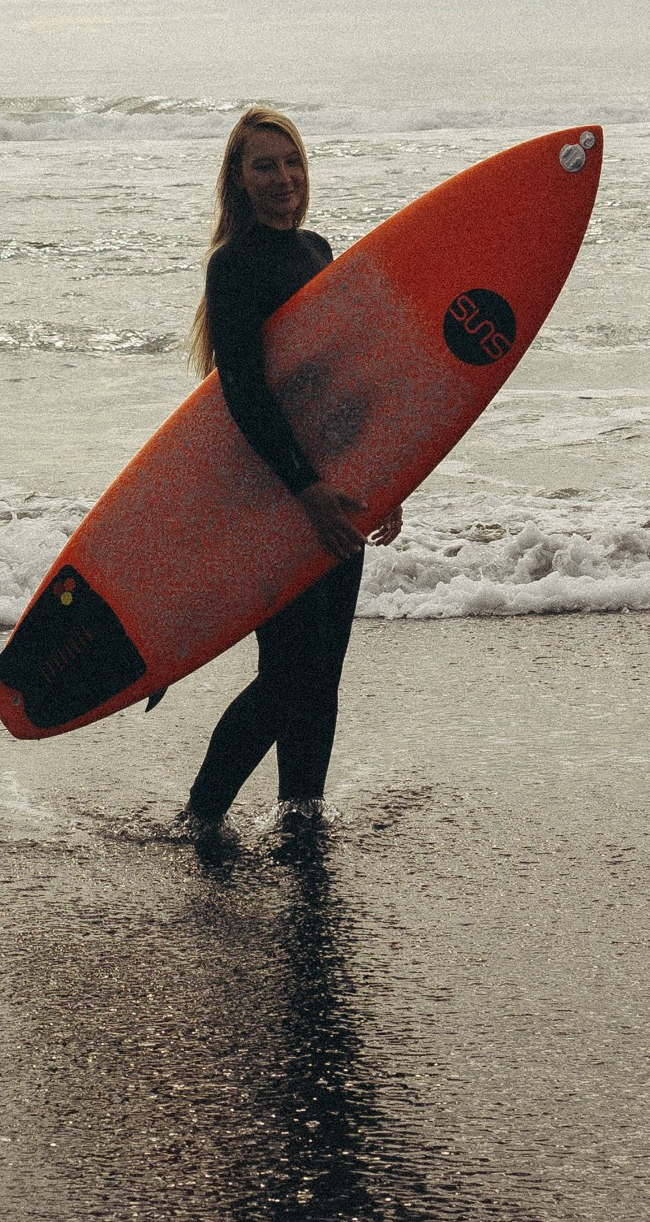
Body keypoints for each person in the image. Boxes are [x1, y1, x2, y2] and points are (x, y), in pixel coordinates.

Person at [177, 106, 401, 840]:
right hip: (277, 494)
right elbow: (245, 391)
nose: (283, 178)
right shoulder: (233, 265)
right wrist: (305, 489)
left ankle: (300, 810)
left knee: (322, 670)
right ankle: (202, 814)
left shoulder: (317, 250)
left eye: (292, 161)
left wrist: (386, 479)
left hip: (335, 488)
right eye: (264, 165)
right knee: (285, 675)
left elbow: (344, 385)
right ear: (238, 180)